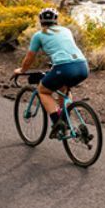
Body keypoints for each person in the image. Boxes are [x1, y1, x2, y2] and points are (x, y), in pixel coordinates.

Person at [14, 8, 89, 139]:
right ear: (56, 20)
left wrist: (22, 70)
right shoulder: (66, 30)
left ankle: (57, 122)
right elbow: (63, 48)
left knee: (43, 90)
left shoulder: (38, 35)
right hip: (82, 66)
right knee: (63, 88)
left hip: (64, 67)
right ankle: (65, 118)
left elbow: (29, 58)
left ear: (41, 21)